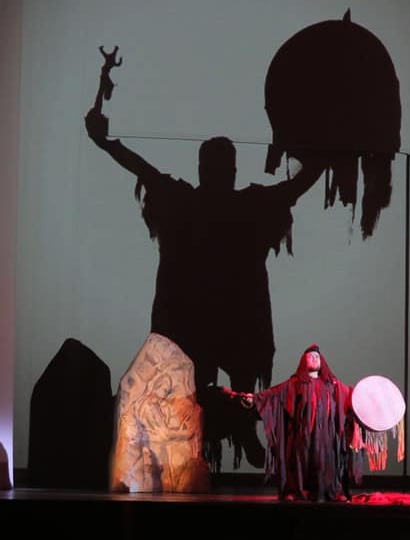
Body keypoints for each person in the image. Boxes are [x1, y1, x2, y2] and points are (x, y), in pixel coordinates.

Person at [84, 51, 327, 471]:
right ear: (213, 169)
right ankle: (216, 436)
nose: (219, 172)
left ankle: (233, 428)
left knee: (231, 376)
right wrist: (325, 152)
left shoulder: (202, 201)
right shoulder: (227, 203)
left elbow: (141, 168)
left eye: (221, 166)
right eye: (216, 166)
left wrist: (106, 142)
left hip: (222, 316)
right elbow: (297, 185)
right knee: (204, 380)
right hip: (204, 316)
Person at [229, 344, 364, 502]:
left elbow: (351, 396)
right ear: (303, 361)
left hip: (326, 436)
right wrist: (254, 398)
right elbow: (273, 395)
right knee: (299, 462)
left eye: (317, 356)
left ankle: (331, 491)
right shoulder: (294, 383)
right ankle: (296, 490)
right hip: (302, 435)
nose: (315, 358)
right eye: (310, 356)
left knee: (327, 463)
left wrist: (367, 398)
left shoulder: (332, 384)